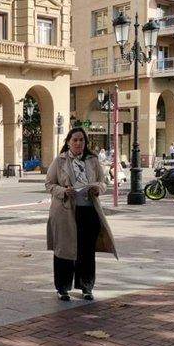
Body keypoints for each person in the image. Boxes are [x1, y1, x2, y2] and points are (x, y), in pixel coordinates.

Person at [45, 127, 117, 302]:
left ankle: (86, 286)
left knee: (86, 251)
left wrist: (97, 188)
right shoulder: (60, 161)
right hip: (66, 212)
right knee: (64, 250)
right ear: (68, 142)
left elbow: (103, 182)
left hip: (88, 210)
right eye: (75, 140)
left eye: (81, 140)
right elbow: (49, 184)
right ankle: (62, 288)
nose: (78, 143)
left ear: (85, 142)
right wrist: (63, 191)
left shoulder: (92, 160)